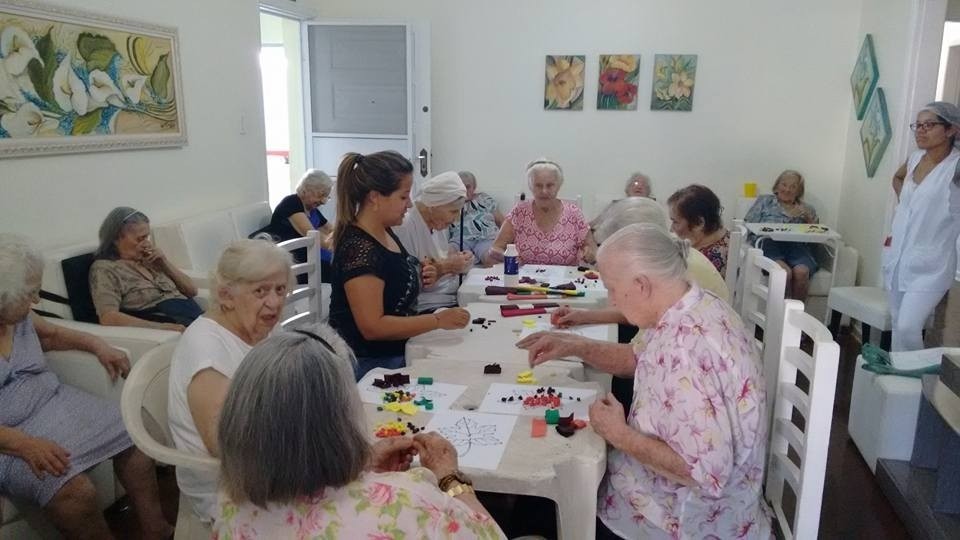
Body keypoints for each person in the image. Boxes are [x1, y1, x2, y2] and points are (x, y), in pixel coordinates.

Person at [517, 224, 770, 539]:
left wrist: (618, 434)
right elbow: (636, 358)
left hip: (682, 520)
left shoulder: (686, 351)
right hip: (685, 497)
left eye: (611, 288)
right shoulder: (687, 303)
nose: (610, 298)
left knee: (535, 507)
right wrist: (574, 345)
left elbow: (706, 473)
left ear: (641, 285)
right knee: (540, 497)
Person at [212, 325, 505, 538]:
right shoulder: (406, 504)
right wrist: (450, 479)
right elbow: (490, 535)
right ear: (341, 417)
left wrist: (362, 467)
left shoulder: (229, 504)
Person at [0, 234, 173, 540]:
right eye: (29, 293)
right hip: (10, 437)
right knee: (74, 491)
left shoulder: (19, 316)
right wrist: (25, 444)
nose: (36, 300)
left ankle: (155, 529)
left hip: (52, 401)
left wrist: (98, 345)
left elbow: (53, 336)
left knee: (134, 432)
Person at [167, 239, 292, 522]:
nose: (274, 302)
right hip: (228, 487)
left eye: (280, 289)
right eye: (260, 290)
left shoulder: (264, 327)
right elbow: (227, 446)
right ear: (226, 296)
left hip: (270, 461)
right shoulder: (207, 350)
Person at [329, 151, 470, 380]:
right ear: (375, 198)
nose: (410, 204)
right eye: (403, 197)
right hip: (369, 364)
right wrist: (437, 321)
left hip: (395, 350)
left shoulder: (386, 233)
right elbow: (372, 327)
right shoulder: (360, 249)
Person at [884, 101, 960, 351]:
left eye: (929, 125)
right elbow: (897, 177)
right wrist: (907, 208)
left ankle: (921, 380)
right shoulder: (916, 158)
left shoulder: (955, 166)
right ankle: (900, 383)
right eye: (918, 125)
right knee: (897, 323)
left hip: (933, 262)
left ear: (951, 130)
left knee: (908, 326)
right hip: (899, 257)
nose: (921, 130)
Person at [89, 206, 201, 331]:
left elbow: (191, 291)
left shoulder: (149, 259)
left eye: (146, 238)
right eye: (139, 239)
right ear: (116, 238)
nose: (146, 244)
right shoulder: (105, 269)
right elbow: (108, 317)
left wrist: (164, 263)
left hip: (191, 315)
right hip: (165, 322)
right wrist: (163, 328)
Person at [487, 158, 597, 266]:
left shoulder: (574, 213)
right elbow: (495, 248)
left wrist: (589, 253)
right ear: (530, 186)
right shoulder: (519, 212)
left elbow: (592, 249)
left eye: (550, 185)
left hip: (566, 280)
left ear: (558, 186)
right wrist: (509, 258)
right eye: (538, 185)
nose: (544, 191)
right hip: (525, 281)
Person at [393, 171, 473, 312]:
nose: (455, 219)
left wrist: (459, 263)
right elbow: (406, 284)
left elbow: (438, 259)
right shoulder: (405, 226)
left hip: (448, 297)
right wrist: (446, 267)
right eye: (453, 212)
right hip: (426, 306)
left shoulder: (438, 223)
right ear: (434, 205)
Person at [744, 171, 820, 300]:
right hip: (768, 244)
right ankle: (780, 313)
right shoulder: (765, 201)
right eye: (784, 184)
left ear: (799, 191)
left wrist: (808, 219)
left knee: (802, 272)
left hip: (796, 246)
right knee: (784, 272)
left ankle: (796, 315)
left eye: (793, 186)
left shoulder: (807, 209)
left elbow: (816, 234)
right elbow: (748, 225)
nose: (787, 189)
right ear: (777, 186)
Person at [257, 169, 335, 281]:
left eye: (326, 196)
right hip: (291, 265)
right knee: (342, 272)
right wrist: (345, 249)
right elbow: (315, 238)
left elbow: (331, 229)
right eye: (321, 195)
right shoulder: (291, 203)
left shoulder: (311, 209)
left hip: (307, 260)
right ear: (306, 189)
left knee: (344, 269)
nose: (323, 201)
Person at [666, 184, 731, 276]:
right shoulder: (724, 236)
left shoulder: (707, 261)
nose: (671, 229)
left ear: (699, 223)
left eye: (675, 222)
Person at [447, 171, 505, 264]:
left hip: (485, 238)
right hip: (461, 239)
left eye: (468, 187)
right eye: (461, 187)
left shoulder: (484, 199)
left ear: (474, 187)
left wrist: (504, 243)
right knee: (448, 254)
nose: (464, 190)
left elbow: (502, 221)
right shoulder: (451, 203)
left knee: (491, 259)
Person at [590, 172, 655, 229]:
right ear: (627, 190)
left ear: (648, 192)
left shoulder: (654, 206)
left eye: (643, 185)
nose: (639, 187)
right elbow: (595, 223)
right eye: (635, 183)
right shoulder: (616, 204)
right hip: (619, 238)